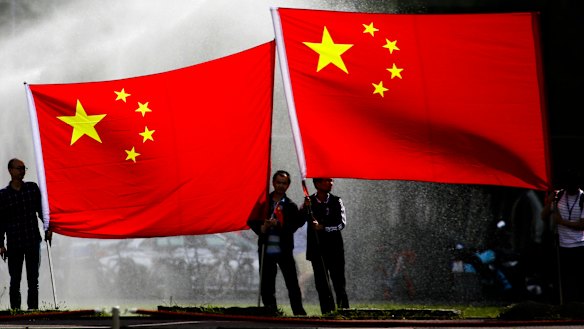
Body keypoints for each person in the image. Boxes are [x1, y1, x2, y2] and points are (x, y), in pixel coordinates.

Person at [247, 170, 306, 315]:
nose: (280, 186)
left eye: (284, 183)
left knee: (292, 282)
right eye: (278, 182)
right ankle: (270, 310)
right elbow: (251, 220)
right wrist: (263, 227)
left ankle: (298, 312)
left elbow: (294, 225)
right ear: (273, 183)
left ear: (288, 185)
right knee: (267, 283)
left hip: (284, 249)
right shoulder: (263, 202)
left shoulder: (290, 205)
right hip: (266, 248)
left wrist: (279, 225)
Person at [0, 158, 52, 310]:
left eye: (24, 168)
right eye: (19, 168)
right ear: (10, 170)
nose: (22, 171)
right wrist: (1, 244)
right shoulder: (3, 195)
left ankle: (32, 309)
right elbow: (0, 222)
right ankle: (16, 310)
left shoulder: (32, 188)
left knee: (33, 279)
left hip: (32, 240)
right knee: (15, 279)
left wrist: (48, 227)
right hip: (14, 242)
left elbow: (41, 211)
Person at [301, 178, 348, 314]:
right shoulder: (308, 202)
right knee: (321, 285)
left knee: (339, 283)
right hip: (316, 250)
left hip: (335, 250)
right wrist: (305, 208)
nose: (331, 183)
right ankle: (327, 313)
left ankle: (344, 313)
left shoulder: (336, 200)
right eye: (326, 180)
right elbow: (298, 221)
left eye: (331, 180)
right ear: (317, 184)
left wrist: (323, 227)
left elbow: (341, 224)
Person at [541, 170, 584, 303]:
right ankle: (564, 303)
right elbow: (543, 216)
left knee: (579, 279)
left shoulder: (583, 198)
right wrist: (549, 203)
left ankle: (579, 305)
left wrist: (561, 222)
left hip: (579, 245)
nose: (571, 188)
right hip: (561, 246)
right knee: (562, 279)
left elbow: (582, 225)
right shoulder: (558, 196)